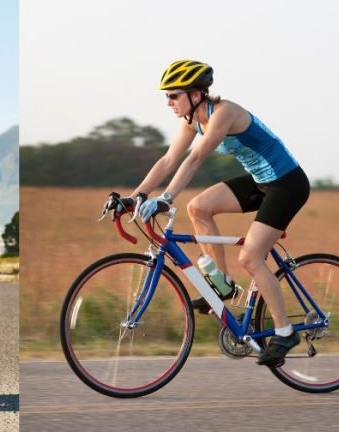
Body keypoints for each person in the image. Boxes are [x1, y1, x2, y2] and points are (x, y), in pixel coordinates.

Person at [130, 59, 310, 367]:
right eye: (167, 96)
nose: (169, 102)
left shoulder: (224, 113)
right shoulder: (192, 121)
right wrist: (135, 196)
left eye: (173, 95)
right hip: (260, 182)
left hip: (287, 184)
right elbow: (169, 159)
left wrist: (167, 197)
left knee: (251, 257)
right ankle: (222, 285)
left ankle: (285, 332)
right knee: (198, 207)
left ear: (196, 93)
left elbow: (196, 157)